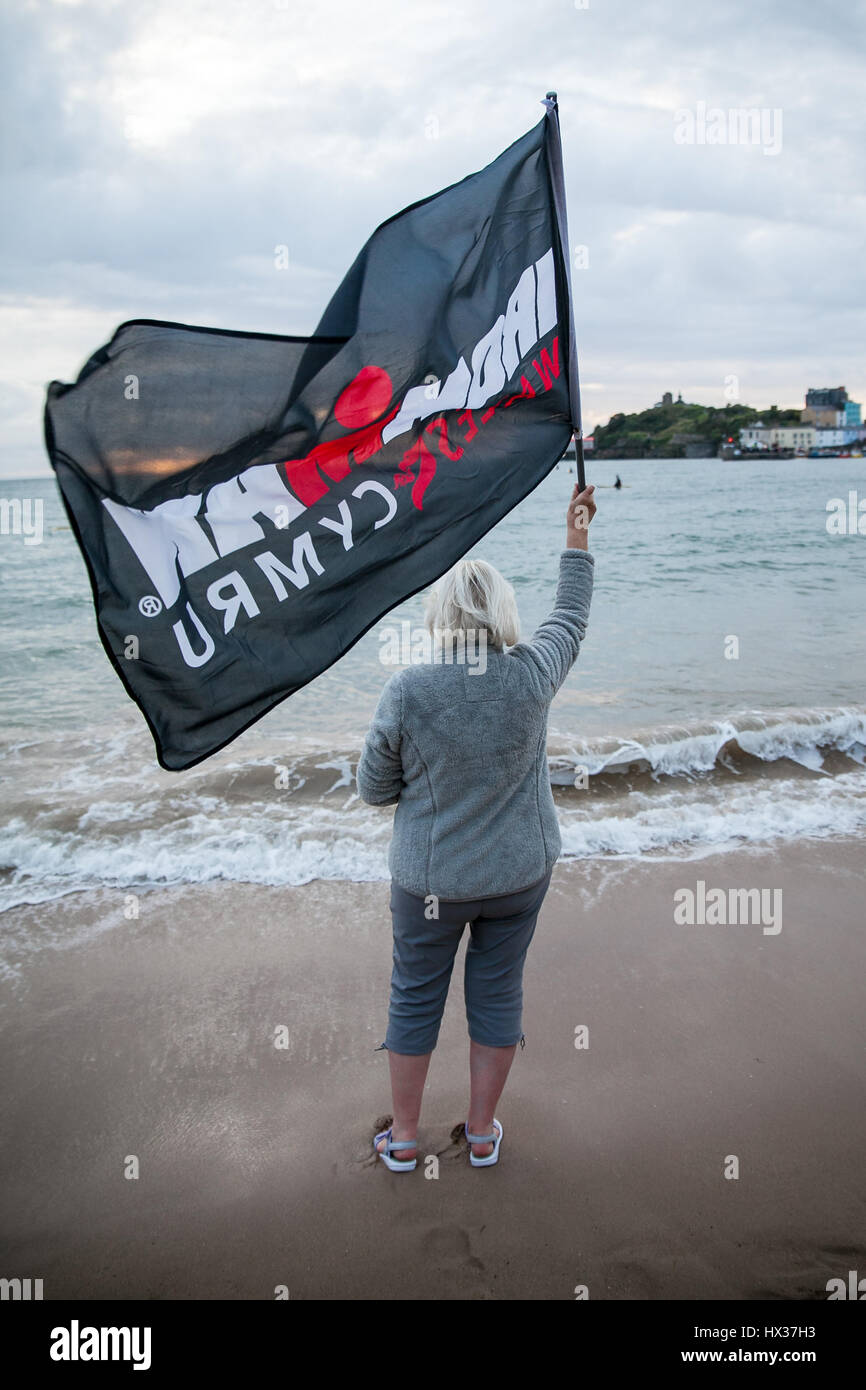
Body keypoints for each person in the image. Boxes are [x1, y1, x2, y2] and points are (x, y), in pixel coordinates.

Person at [356, 483, 596, 1169]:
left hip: (432, 881)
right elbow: (572, 617)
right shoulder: (532, 673)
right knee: (497, 992)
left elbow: (374, 790)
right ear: (502, 613)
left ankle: (403, 1139)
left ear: (439, 615)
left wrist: (427, 781)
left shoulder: (408, 690)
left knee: (415, 998)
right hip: (520, 872)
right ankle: (483, 1134)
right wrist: (577, 530)